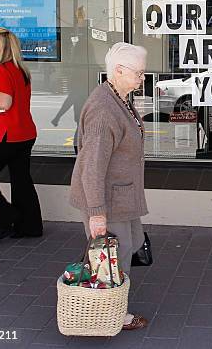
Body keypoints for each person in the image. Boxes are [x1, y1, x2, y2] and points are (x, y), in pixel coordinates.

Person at [69, 42, 149, 331]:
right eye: (139, 73)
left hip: (122, 193)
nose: (143, 78)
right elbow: (92, 166)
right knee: (115, 256)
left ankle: (105, 303)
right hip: (107, 197)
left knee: (132, 244)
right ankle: (111, 313)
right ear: (118, 70)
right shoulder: (104, 110)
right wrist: (97, 213)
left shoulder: (118, 97)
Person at [0, 27, 43, 245]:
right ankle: (29, 226)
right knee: (21, 180)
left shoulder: (2, 71)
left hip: (6, 136)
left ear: (3, 46)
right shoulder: (21, 70)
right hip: (25, 133)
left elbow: (4, 104)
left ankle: (5, 218)